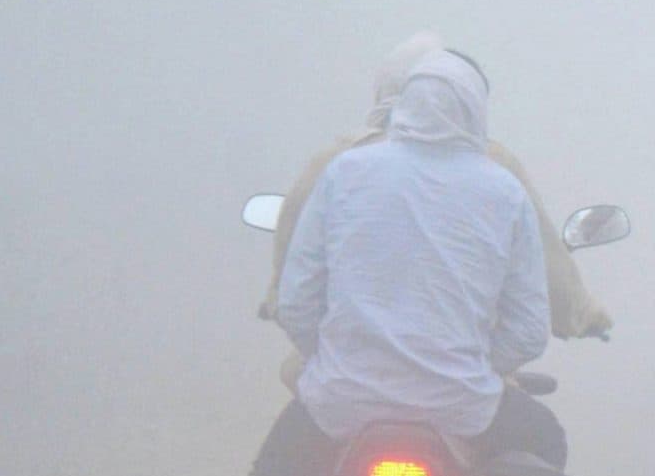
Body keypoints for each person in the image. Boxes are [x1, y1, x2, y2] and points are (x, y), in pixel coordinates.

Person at [247, 51, 582, 476]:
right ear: (476, 111)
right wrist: (479, 370)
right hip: (460, 404)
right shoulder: (502, 190)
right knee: (543, 441)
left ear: (400, 106)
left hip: (344, 401)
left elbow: (297, 299)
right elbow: (530, 327)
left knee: (278, 471)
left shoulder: (345, 174)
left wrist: (329, 360)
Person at [258, 33, 611, 370]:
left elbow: (294, 269)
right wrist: (581, 315)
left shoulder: (339, 163)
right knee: (530, 415)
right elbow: (546, 275)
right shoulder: (497, 170)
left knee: (295, 392)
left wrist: (323, 355)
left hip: (343, 381)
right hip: (463, 385)